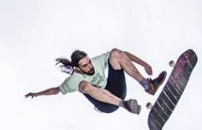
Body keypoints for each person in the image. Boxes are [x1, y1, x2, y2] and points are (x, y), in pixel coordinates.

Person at [24, 48, 167, 115]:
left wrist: (144, 64)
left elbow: (124, 55)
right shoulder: (73, 80)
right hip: (107, 105)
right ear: (77, 68)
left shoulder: (96, 62)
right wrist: (36, 94)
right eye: (85, 66)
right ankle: (125, 105)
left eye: (89, 62)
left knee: (115, 53)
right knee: (83, 86)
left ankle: (148, 86)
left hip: (116, 90)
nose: (90, 67)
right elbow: (56, 90)